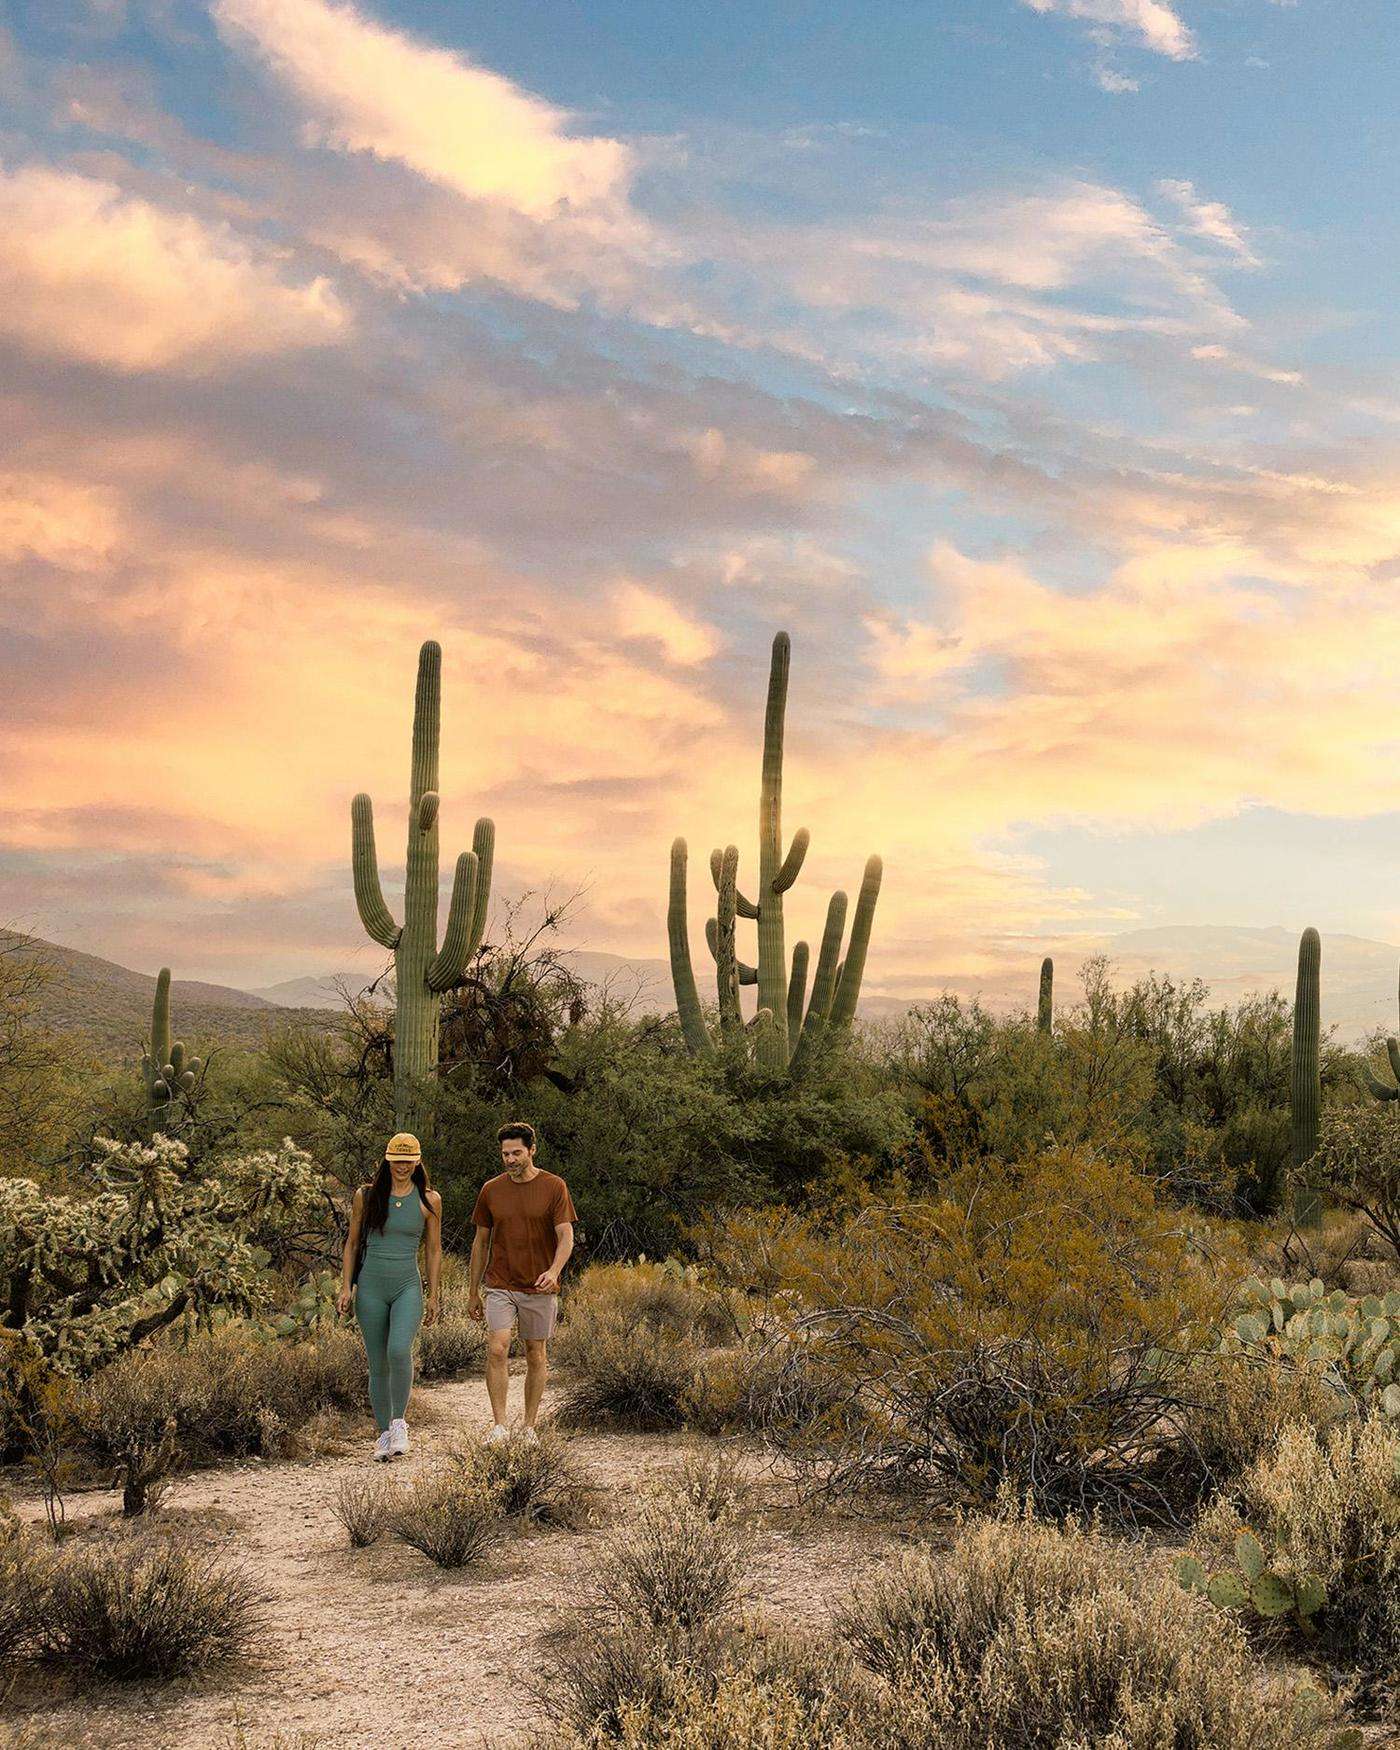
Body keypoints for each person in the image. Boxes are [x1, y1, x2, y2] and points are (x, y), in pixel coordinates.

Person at [468, 1121, 575, 1444]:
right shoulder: (491, 1190)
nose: (510, 1160)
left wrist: (554, 1271)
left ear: (532, 1150)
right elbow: (480, 1243)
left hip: (539, 1286)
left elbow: (565, 1237)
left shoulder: (554, 1187)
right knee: (497, 1348)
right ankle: (499, 1426)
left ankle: (529, 1427)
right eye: (505, 1154)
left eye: (516, 1153)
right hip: (501, 1283)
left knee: (535, 1353)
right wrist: (473, 1290)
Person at [338, 1132, 442, 1461]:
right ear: (387, 1159)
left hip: (407, 1285)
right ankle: (384, 1434)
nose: (401, 1166)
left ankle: (399, 1423)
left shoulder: (429, 1200)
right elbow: (352, 1244)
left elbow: (434, 1250)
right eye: (396, 1160)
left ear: (417, 1161)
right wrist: (345, 1287)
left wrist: (434, 1294)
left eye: (408, 1160)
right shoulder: (366, 1196)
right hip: (370, 1286)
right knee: (377, 1363)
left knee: (399, 1350)